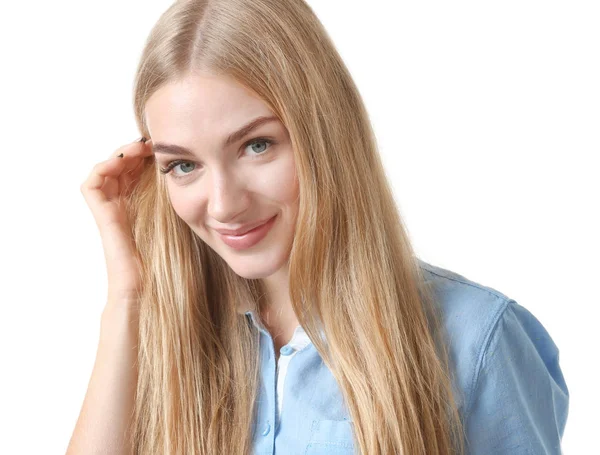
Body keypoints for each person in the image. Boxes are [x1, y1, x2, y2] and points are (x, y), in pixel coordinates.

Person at [67, 0, 569, 454]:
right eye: (183, 165)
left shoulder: (476, 337)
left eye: (256, 145)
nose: (223, 205)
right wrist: (126, 300)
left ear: (323, 133)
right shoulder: (161, 338)